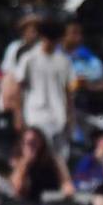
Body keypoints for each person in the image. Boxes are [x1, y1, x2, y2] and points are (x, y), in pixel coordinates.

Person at [12, 19, 75, 158]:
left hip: (58, 116)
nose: (51, 43)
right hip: (35, 115)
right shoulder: (29, 58)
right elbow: (18, 88)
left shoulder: (64, 61)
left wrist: (70, 117)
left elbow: (68, 92)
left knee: (59, 158)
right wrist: (18, 116)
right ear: (42, 37)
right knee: (33, 156)